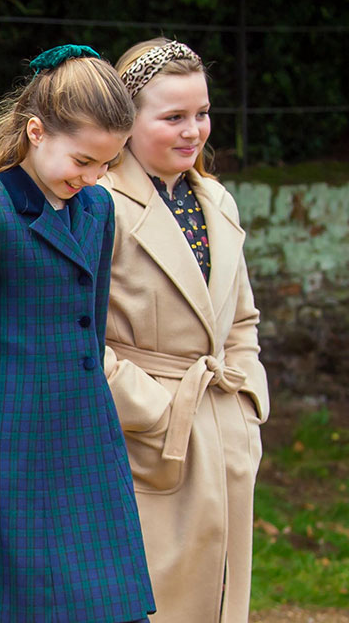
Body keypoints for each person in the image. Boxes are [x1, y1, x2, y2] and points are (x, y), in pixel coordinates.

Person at [0, 46, 156, 623]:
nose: (94, 177)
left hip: (87, 441)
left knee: (105, 603)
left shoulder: (97, 209)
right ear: (37, 131)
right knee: (14, 604)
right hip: (8, 448)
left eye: (107, 164)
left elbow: (91, 331)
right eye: (83, 160)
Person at [102, 38, 269, 623]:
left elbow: (242, 318)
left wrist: (247, 402)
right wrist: (150, 408)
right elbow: (71, 332)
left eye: (201, 113)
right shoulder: (97, 204)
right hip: (144, 440)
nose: (192, 130)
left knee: (220, 604)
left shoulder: (218, 199)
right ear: (126, 118)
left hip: (223, 431)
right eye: (173, 117)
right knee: (149, 603)